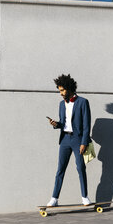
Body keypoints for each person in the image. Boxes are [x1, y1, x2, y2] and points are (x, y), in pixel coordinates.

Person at [46, 74, 92, 207]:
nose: (60, 93)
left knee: (81, 168)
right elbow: (64, 123)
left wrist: (84, 142)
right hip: (65, 139)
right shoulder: (61, 104)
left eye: (62, 90)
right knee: (60, 169)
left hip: (78, 140)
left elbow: (86, 125)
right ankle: (54, 198)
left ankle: (84, 196)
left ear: (69, 88)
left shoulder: (83, 102)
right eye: (59, 90)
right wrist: (56, 124)